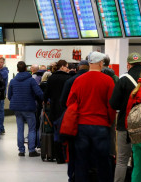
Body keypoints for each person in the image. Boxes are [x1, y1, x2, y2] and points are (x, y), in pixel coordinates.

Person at [66, 52, 116, 182]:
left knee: (81, 161)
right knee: (103, 162)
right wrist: (109, 122)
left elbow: (70, 103)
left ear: (89, 63)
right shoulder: (108, 80)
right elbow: (111, 105)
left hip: (82, 126)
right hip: (101, 125)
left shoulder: (79, 80)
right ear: (101, 63)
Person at [109, 53, 141, 182]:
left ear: (128, 65)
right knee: (140, 159)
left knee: (122, 159)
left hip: (125, 124)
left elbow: (113, 103)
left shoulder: (123, 79)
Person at [59, 60, 89, 182]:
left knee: (72, 152)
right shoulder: (93, 80)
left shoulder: (70, 81)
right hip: (91, 122)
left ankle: (72, 176)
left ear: (77, 69)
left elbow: (63, 101)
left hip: (73, 122)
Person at [8, 61, 43, 157]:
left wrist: (16, 101)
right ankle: (31, 150)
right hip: (29, 108)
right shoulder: (31, 80)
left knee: (20, 129)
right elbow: (38, 92)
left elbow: (9, 96)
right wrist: (44, 99)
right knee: (31, 129)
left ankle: (21, 151)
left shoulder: (13, 81)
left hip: (17, 109)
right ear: (26, 69)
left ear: (17, 69)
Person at [44, 59, 71, 164]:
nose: (68, 69)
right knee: (67, 133)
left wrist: (46, 102)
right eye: (67, 66)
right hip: (66, 110)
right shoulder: (68, 79)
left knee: (56, 133)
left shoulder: (51, 78)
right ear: (63, 67)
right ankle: (66, 156)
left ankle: (58, 157)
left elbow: (46, 94)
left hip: (54, 110)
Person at [0, 57, 9, 134]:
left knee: (0, 111)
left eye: (1, 62)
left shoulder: (4, 71)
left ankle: (1, 128)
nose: (0, 63)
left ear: (4, 63)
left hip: (1, 94)